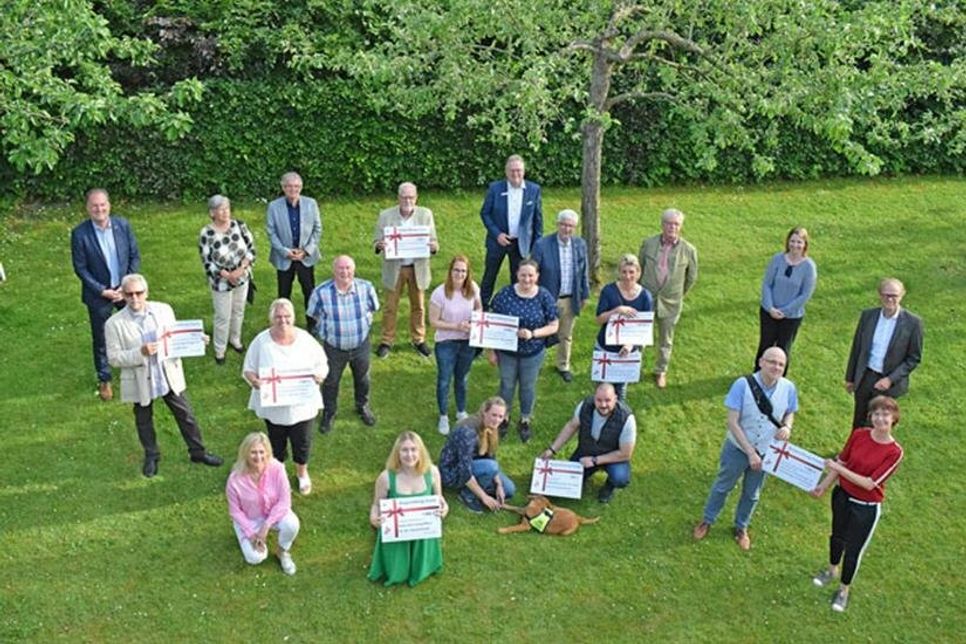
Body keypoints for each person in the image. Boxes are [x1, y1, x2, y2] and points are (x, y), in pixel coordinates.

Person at [104, 273, 223, 477]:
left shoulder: (164, 310)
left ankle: (198, 452)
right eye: (130, 294)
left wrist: (196, 339)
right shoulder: (114, 324)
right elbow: (114, 358)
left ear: (146, 292)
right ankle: (151, 456)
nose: (135, 298)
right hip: (140, 378)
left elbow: (177, 338)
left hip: (166, 373)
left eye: (139, 293)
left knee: (185, 414)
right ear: (122, 294)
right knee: (144, 419)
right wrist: (139, 353)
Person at [692, 347, 797, 550]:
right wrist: (750, 452)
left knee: (752, 493)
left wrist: (787, 426)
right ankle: (707, 520)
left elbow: (790, 412)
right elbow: (732, 422)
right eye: (772, 361)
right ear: (761, 362)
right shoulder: (742, 385)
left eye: (781, 364)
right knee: (723, 486)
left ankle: (741, 527)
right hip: (738, 449)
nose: (776, 367)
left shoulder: (789, 388)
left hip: (766, 451)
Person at [810, 395, 904, 613]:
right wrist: (823, 487)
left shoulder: (894, 452)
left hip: (865, 506)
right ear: (871, 416)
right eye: (877, 414)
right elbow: (842, 460)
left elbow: (869, 484)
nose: (880, 419)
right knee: (837, 537)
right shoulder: (859, 434)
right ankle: (831, 570)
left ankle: (844, 590)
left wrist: (839, 469)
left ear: (894, 419)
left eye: (885, 414)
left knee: (853, 549)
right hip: (842, 495)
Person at [243, 299, 328, 495]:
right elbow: (248, 369)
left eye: (287, 316)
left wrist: (319, 375)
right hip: (275, 407)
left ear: (293, 317)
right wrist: (255, 381)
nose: (283, 320)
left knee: (302, 442)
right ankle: (277, 476)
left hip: (301, 405)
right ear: (271, 319)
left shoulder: (306, 339)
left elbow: (322, 363)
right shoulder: (261, 342)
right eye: (278, 317)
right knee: (276, 442)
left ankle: (302, 474)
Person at [71, 188, 141, 401]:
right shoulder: (80, 233)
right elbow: (80, 268)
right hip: (98, 294)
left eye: (102, 205)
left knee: (133, 331)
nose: (99, 209)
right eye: (94, 205)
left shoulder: (123, 226)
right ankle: (105, 378)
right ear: (87, 208)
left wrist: (126, 286)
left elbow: (134, 256)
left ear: (109, 205)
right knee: (101, 337)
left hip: (126, 292)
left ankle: (136, 368)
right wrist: (102, 290)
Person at [307, 255, 380, 433]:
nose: (344, 272)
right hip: (333, 348)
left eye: (348, 268)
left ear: (354, 270)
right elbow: (313, 315)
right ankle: (329, 413)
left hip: (360, 345)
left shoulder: (366, 288)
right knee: (331, 382)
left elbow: (373, 308)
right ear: (334, 270)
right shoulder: (321, 293)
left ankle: (362, 406)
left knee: (362, 379)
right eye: (340, 268)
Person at [489, 259, 559, 443]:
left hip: (533, 353)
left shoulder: (544, 296)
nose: (526, 279)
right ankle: (503, 417)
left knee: (528, 387)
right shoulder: (505, 294)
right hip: (507, 353)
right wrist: (490, 350)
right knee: (506, 385)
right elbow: (490, 322)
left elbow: (554, 325)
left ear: (537, 276)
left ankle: (525, 419)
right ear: (516, 275)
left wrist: (534, 333)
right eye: (523, 275)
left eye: (530, 275)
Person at [368, 431, 448, 587]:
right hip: (397, 533)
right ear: (397, 453)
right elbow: (376, 505)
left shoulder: (432, 472)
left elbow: (440, 499)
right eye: (404, 450)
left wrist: (445, 508)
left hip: (423, 531)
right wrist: (373, 519)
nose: (409, 455)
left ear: (421, 451)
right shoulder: (385, 478)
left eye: (414, 449)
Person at [844, 277, 923, 429]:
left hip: (888, 384)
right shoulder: (868, 316)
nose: (890, 299)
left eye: (894, 295)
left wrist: (890, 379)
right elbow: (857, 348)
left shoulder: (913, 323)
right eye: (886, 295)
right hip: (865, 376)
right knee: (859, 420)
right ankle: (852, 452)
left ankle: (870, 453)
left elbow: (913, 358)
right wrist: (850, 378)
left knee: (876, 424)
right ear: (880, 295)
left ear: (902, 295)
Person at [373, 181, 438, 358]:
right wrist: (380, 244)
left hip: (417, 267)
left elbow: (434, 242)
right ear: (398, 198)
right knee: (390, 307)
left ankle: (419, 339)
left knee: (418, 307)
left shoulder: (425, 214)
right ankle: (387, 340)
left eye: (411, 197)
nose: (407, 200)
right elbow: (376, 241)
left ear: (416, 198)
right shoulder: (386, 215)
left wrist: (432, 246)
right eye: (404, 197)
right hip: (395, 267)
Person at [540, 383, 637, 504]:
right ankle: (581, 478)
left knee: (620, 478)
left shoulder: (627, 419)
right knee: (567, 483)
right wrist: (552, 449)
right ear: (594, 397)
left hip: (613, 457)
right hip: (586, 452)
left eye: (608, 400)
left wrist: (595, 460)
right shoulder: (585, 406)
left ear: (615, 399)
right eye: (599, 400)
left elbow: (625, 454)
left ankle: (609, 486)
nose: (603, 405)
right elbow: (571, 426)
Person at [226, 432, 301, 575]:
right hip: (249, 518)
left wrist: (266, 526)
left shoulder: (277, 468)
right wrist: (251, 534)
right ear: (245, 454)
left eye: (262, 452)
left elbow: (285, 501)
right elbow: (235, 511)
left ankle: (282, 552)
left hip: (273, 513)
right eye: (253, 452)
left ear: (268, 452)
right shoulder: (235, 479)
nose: (258, 457)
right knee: (255, 557)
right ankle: (244, 536)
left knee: (292, 524)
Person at [639, 208, 698, 389]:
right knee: (640, 336)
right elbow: (640, 269)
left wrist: (677, 294)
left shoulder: (689, 250)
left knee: (666, 339)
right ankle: (632, 368)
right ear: (662, 224)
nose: (672, 227)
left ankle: (660, 371)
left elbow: (691, 278)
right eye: (668, 223)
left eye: (676, 224)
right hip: (647, 299)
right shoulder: (648, 244)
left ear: (680, 227)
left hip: (671, 303)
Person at [531, 209, 590, 383]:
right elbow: (533, 272)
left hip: (570, 298)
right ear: (557, 224)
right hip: (547, 299)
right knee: (541, 333)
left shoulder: (580, 244)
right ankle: (535, 364)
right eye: (564, 224)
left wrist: (584, 294)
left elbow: (584, 271)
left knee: (566, 334)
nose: (567, 229)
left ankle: (563, 365)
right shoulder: (542, 245)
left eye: (571, 226)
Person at [479, 154, 543, 309]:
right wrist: (497, 234)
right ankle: (482, 307)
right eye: (512, 171)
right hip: (498, 241)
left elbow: (537, 220)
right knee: (489, 276)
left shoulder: (533, 190)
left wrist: (536, 246)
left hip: (520, 243)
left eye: (519, 171)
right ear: (506, 172)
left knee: (518, 278)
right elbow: (485, 213)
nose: (516, 174)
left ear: (524, 171)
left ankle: (515, 308)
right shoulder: (495, 188)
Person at [428, 255, 482, 435]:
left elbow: (479, 309)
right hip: (446, 342)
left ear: (468, 273)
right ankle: (443, 415)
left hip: (467, 341)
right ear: (450, 271)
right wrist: (456, 326)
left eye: (463, 271)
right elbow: (433, 321)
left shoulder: (473, 288)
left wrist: (473, 321)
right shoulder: (439, 293)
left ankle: (460, 411)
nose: (460, 274)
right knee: (444, 379)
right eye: (456, 270)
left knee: (462, 377)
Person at [199, 194, 255, 365]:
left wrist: (242, 268)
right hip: (220, 280)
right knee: (223, 316)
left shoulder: (240, 226)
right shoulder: (206, 233)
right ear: (212, 213)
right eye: (220, 209)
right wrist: (227, 275)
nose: (225, 212)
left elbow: (251, 249)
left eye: (227, 208)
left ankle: (235, 339)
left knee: (238, 310)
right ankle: (220, 348)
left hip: (242, 276)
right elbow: (207, 262)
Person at [754, 226, 817, 374]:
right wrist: (770, 308)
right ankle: (758, 376)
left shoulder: (809, 267)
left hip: (791, 317)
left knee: (783, 349)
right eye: (793, 241)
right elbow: (767, 284)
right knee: (765, 345)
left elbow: (805, 294)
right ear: (788, 242)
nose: (795, 245)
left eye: (799, 242)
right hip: (769, 312)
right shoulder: (777, 260)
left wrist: (785, 311)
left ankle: (777, 381)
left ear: (805, 245)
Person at [439, 396, 516, 513]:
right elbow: (465, 469)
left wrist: (499, 485)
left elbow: (490, 457)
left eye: (500, 417)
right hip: (453, 472)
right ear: (485, 412)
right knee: (491, 467)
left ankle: (479, 485)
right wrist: (484, 497)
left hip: (477, 465)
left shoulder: (492, 428)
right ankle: (468, 495)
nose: (497, 420)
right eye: (493, 415)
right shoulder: (468, 432)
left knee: (509, 489)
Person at [266, 171, 322, 330]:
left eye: (297, 186)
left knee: (309, 292)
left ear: (301, 187)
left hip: (305, 256)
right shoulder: (273, 206)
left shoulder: (311, 203)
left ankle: (312, 324)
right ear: (283, 188)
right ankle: (282, 324)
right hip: (284, 258)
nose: (293, 190)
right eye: (289, 186)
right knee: (284, 293)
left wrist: (306, 251)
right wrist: (285, 252)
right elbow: (271, 232)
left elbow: (317, 229)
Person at [594, 254, 654, 401]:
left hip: (627, 353)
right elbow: (599, 319)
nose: (628, 276)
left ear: (638, 273)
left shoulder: (645, 296)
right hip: (605, 349)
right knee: (602, 392)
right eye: (624, 272)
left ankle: (618, 421)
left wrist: (630, 345)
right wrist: (616, 311)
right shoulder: (608, 291)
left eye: (632, 272)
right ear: (619, 272)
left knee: (620, 393)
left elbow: (645, 329)